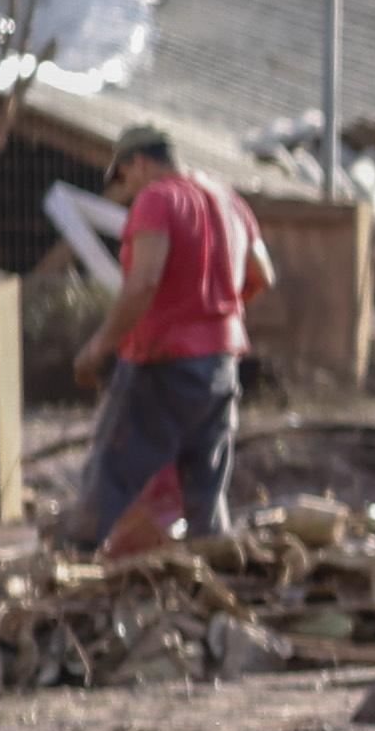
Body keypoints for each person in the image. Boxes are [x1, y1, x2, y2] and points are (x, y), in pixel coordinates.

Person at [60, 125, 272, 550]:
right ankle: (212, 559)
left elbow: (143, 284)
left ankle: (69, 557)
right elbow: (262, 274)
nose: (127, 190)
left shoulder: (157, 200)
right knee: (205, 492)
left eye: (124, 177)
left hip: (162, 363)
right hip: (222, 365)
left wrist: (98, 347)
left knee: (108, 472)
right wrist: (215, 310)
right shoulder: (228, 200)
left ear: (138, 163)